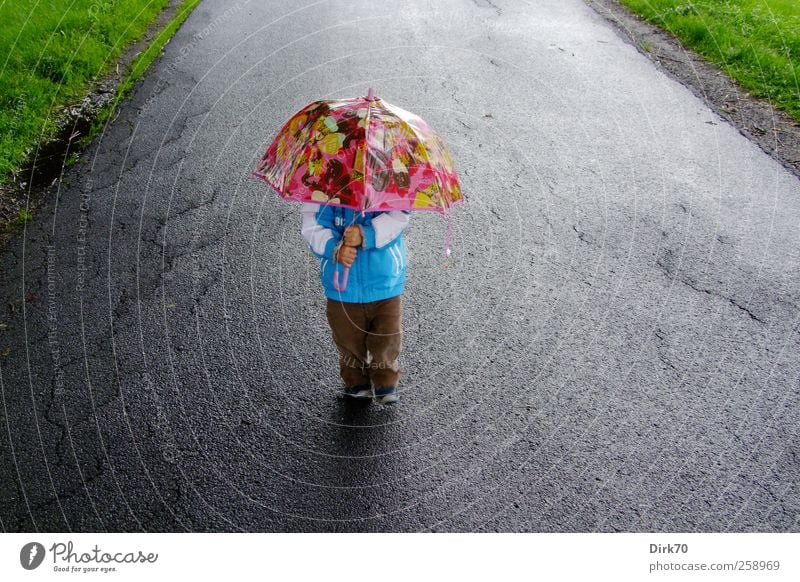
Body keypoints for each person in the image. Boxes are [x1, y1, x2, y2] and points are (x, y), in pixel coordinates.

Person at [301, 202, 409, 404]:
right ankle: (356, 380)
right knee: (347, 338)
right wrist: (335, 248)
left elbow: (399, 215)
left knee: (387, 336)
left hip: (384, 281)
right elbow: (312, 224)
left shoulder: (389, 183)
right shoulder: (323, 187)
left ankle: (385, 379)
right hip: (342, 286)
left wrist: (367, 233)